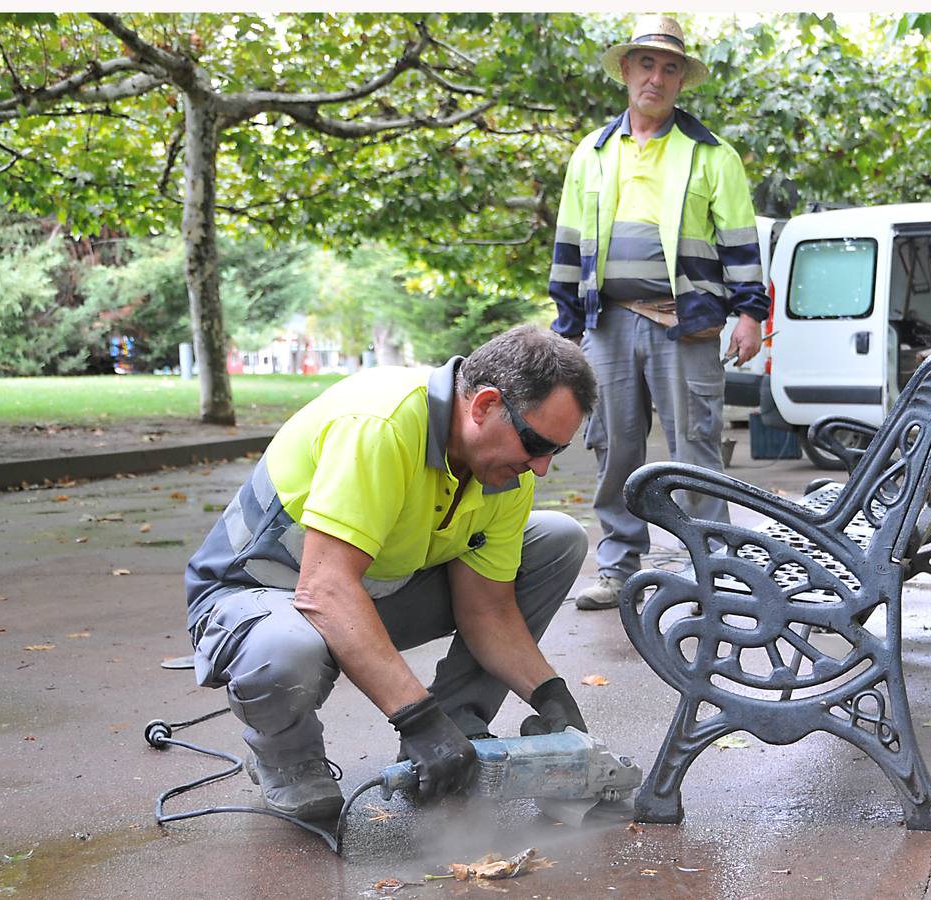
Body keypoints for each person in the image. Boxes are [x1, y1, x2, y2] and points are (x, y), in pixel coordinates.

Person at [183, 326, 597, 820]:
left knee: (557, 538)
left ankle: (458, 731)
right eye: (535, 443)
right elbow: (326, 589)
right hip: (258, 595)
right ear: (483, 406)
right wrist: (416, 718)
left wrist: (549, 693)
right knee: (286, 650)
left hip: (367, 590)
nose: (543, 467)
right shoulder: (380, 425)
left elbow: (487, 609)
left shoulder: (503, 468)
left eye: (557, 450)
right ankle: (288, 758)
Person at [549, 14, 769, 611]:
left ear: (680, 81)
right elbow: (569, 244)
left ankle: (713, 569)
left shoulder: (711, 155)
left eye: (670, 67)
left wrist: (751, 314)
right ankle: (619, 567)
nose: (657, 77)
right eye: (646, 63)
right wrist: (565, 328)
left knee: (695, 446)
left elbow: (741, 244)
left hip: (686, 319)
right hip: (607, 322)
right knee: (613, 446)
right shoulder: (590, 154)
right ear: (626, 70)